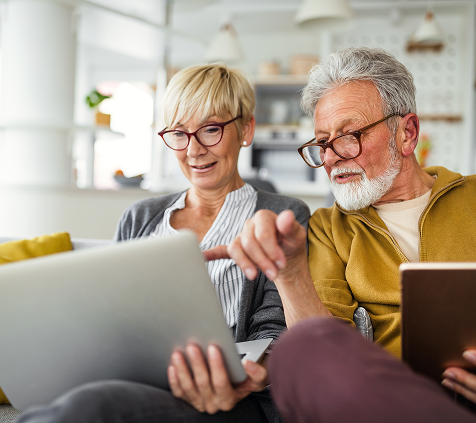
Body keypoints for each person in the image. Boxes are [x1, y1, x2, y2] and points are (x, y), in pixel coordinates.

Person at [15, 63, 309, 423]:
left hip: (231, 398)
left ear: (246, 128)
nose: (194, 150)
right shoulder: (140, 217)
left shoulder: (282, 215)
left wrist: (243, 371)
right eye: (179, 134)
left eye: (211, 130)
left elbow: (276, 334)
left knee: (92, 407)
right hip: (143, 380)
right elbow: (109, 314)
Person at [204, 47, 476, 421]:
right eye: (321, 142)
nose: (330, 157)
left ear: (407, 133)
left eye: (349, 135)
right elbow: (321, 355)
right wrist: (290, 272)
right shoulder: (326, 229)